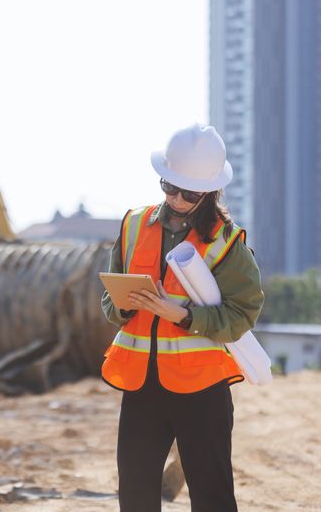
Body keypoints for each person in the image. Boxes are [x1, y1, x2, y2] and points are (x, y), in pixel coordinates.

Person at [100, 124, 264, 512]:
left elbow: (242, 315)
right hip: (142, 385)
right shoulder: (133, 225)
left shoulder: (227, 242)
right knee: (136, 497)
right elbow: (110, 304)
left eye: (188, 193)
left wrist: (182, 315)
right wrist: (127, 304)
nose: (175, 198)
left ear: (210, 192)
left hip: (202, 389)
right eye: (169, 186)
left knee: (212, 498)